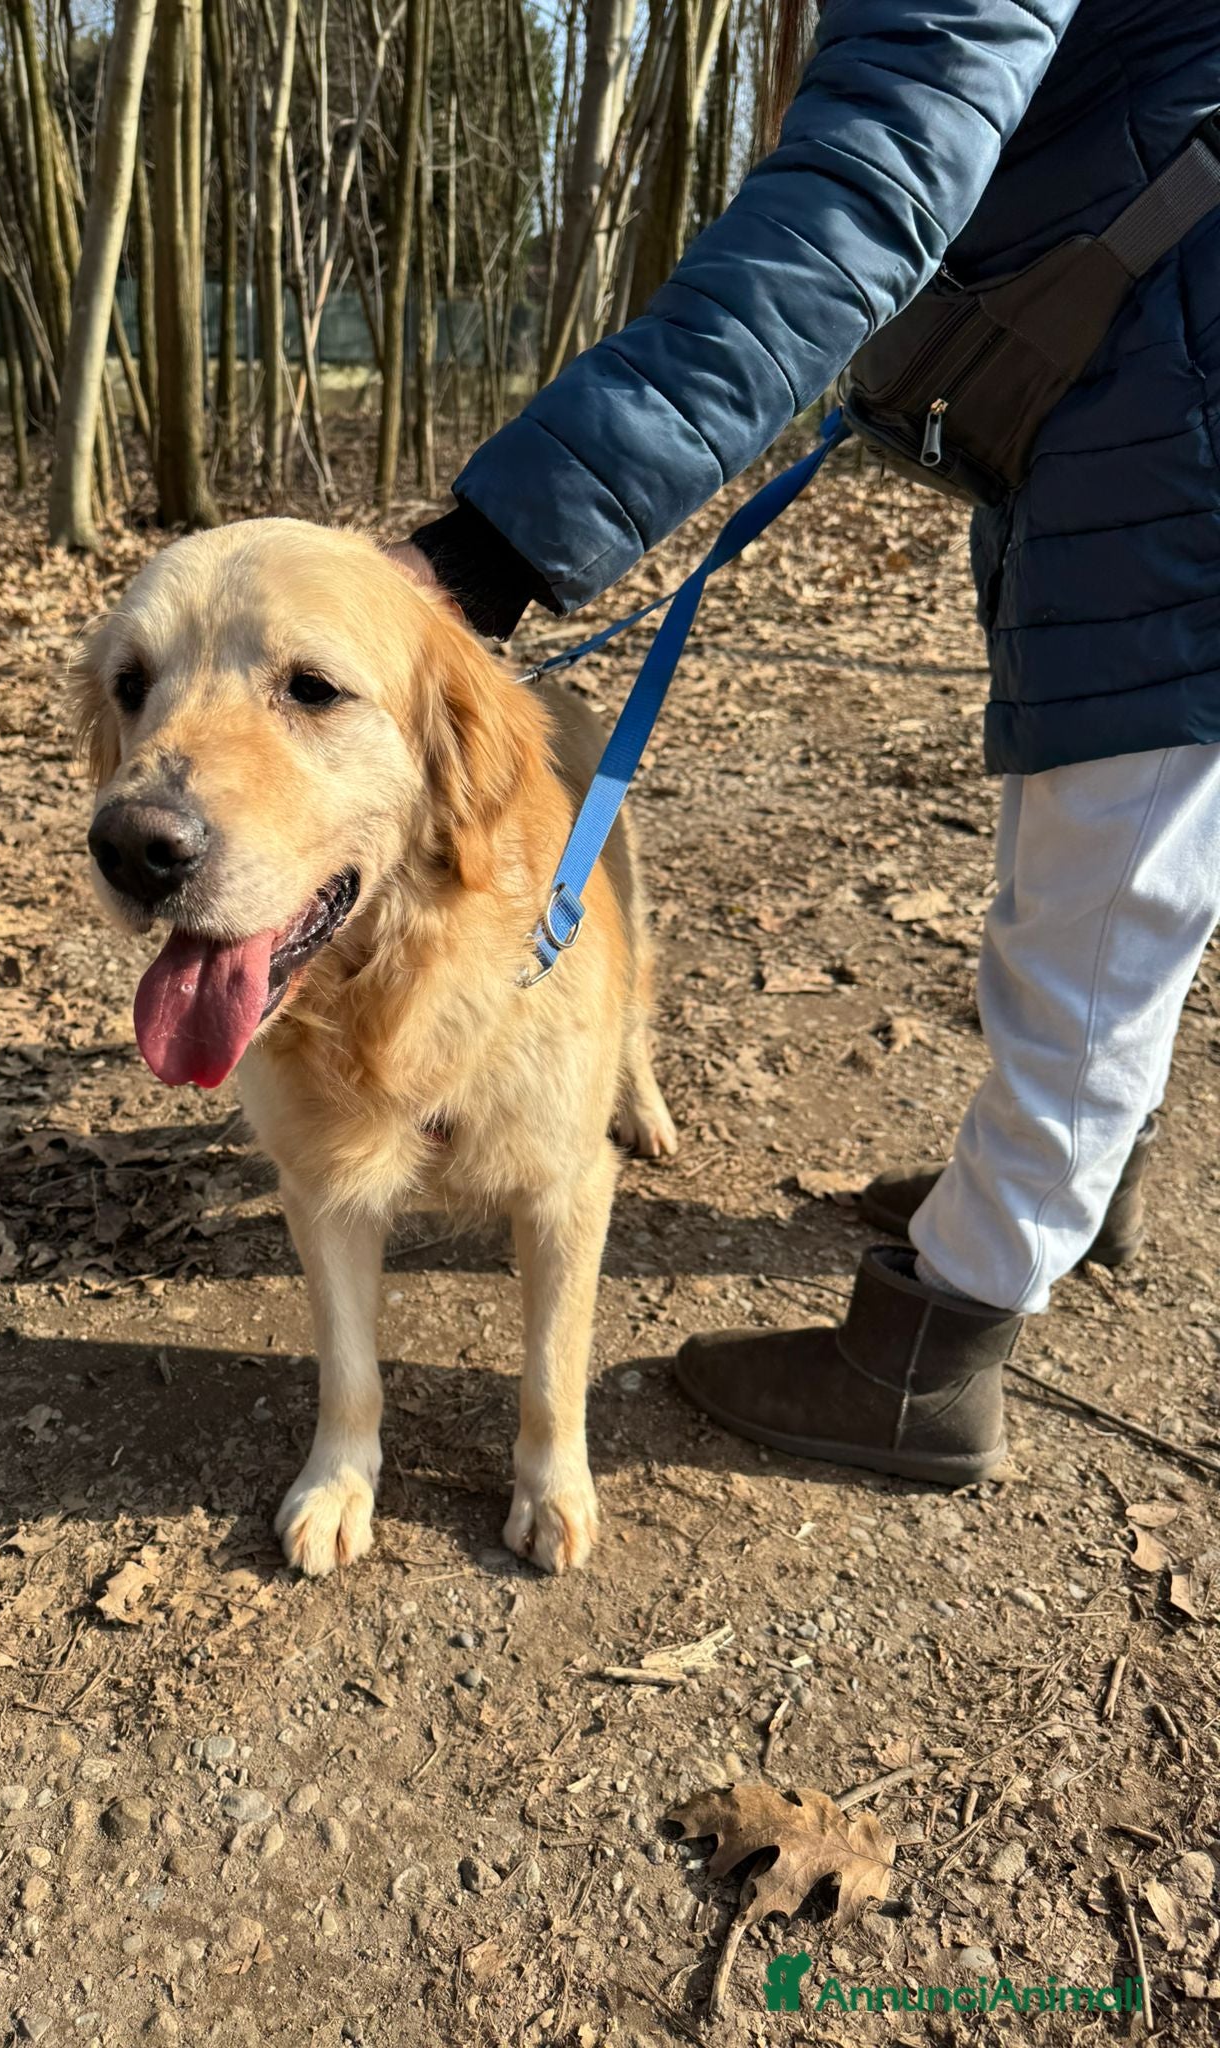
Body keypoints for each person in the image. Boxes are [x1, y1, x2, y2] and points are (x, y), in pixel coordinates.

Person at [400, 0, 1220, 1483]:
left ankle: (940, 1349)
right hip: (1152, 381)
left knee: (1110, 867)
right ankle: (1076, 1188)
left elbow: (867, 188)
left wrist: (488, 550)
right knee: (1130, 836)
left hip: (1182, 410)